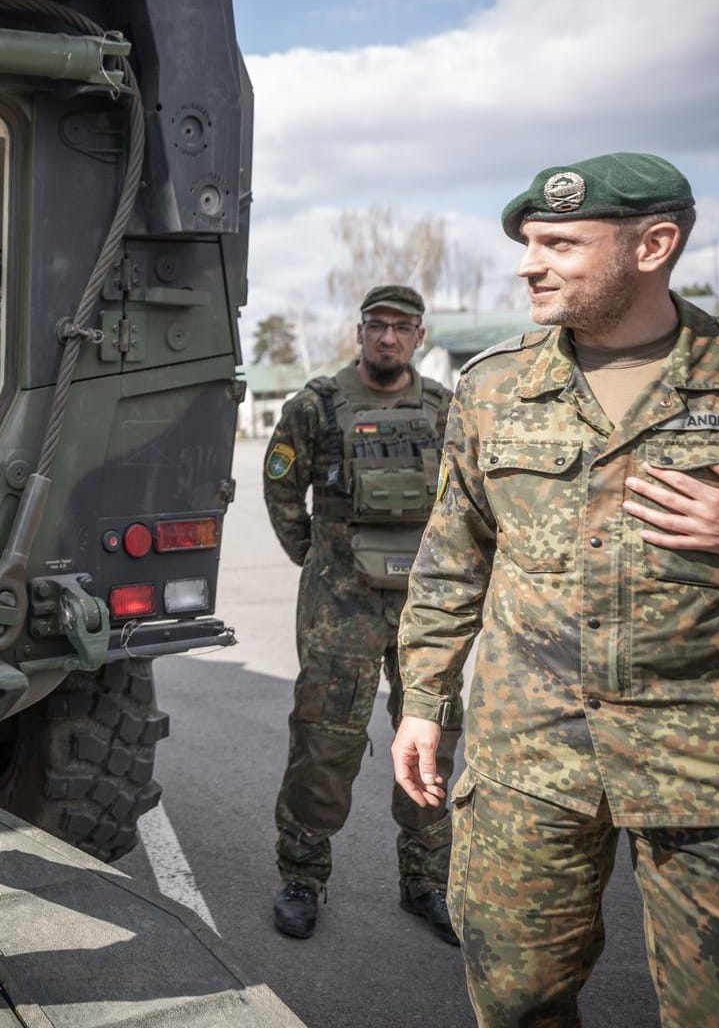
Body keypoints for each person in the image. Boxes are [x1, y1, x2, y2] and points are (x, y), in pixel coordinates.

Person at [391, 152, 719, 1027]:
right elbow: (452, 557)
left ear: (653, 244)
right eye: (529, 242)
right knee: (516, 998)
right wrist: (423, 702)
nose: (528, 263)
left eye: (560, 244)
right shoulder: (494, 388)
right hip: (530, 764)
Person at [262, 285, 460, 945]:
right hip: (340, 604)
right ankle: (302, 876)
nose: (388, 338)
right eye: (378, 325)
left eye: (402, 327)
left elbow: (467, 500)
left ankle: (427, 883)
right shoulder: (315, 407)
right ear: (360, 332)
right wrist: (320, 561)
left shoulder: (442, 410)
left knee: (432, 737)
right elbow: (283, 489)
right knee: (325, 740)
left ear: (419, 336)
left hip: (422, 605)